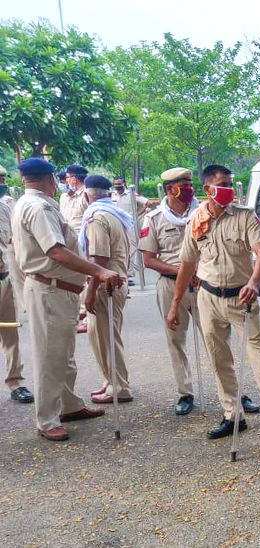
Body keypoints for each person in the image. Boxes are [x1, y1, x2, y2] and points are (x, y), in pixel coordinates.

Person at [166, 164, 260, 449]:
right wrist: (175, 303)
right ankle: (232, 415)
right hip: (208, 298)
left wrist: (254, 282)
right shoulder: (197, 221)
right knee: (219, 361)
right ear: (207, 189)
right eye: (222, 183)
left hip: (242, 299)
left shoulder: (244, 216)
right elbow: (187, 265)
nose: (228, 188)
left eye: (230, 183)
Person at [11, 158, 121, 441]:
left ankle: (69, 405)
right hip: (50, 289)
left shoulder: (33, 203)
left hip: (58, 289)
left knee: (63, 353)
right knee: (50, 356)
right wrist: (98, 270)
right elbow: (56, 252)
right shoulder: (38, 207)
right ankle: (47, 420)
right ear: (49, 179)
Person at [141, 167, 260, 416]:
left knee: (217, 345)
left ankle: (234, 395)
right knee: (175, 340)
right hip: (171, 283)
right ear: (169, 188)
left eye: (189, 182)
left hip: (205, 286)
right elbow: (149, 259)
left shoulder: (205, 211)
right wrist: (179, 271)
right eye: (181, 184)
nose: (187, 187)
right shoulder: (153, 219)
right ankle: (185, 393)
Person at [78, 175, 134, 404]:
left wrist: (89, 292)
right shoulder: (113, 213)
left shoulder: (96, 218)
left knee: (106, 338)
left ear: (86, 195)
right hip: (114, 281)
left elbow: (99, 257)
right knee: (103, 335)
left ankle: (119, 387)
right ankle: (111, 380)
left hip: (105, 286)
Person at [0, 193, 32, 403]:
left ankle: (15, 382)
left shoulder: (4, 208)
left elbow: (12, 239)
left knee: (10, 333)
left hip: (3, 278)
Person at [60, 164, 90, 333]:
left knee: (86, 278)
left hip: (84, 242)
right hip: (67, 242)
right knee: (71, 277)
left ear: (75, 178)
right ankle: (77, 311)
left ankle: (86, 315)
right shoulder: (64, 197)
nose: (66, 181)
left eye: (69, 177)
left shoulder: (86, 194)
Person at [111, 177, 151, 287]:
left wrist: (136, 214)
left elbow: (148, 203)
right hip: (115, 225)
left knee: (130, 250)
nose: (117, 186)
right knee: (117, 249)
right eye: (115, 184)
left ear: (124, 184)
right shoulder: (112, 195)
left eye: (119, 184)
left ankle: (128, 275)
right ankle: (119, 274)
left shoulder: (131, 194)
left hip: (129, 225)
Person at [0, 165, 26, 312]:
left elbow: (11, 237)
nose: (2, 185)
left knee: (10, 328)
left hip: (5, 275)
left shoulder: (4, 206)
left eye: (3, 180)